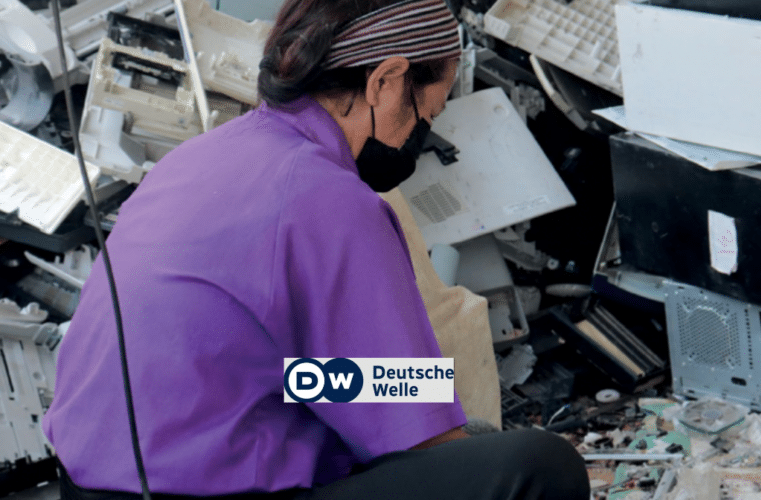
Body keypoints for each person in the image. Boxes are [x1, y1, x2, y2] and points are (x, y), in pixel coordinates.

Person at [43, 0, 590, 499]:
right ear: (385, 81)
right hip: (189, 494)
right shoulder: (327, 199)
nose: (423, 131)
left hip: (88, 483)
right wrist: (451, 420)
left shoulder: (199, 157)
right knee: (535, 466)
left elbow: (284, 366)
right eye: (430, 112)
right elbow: (419, 437)